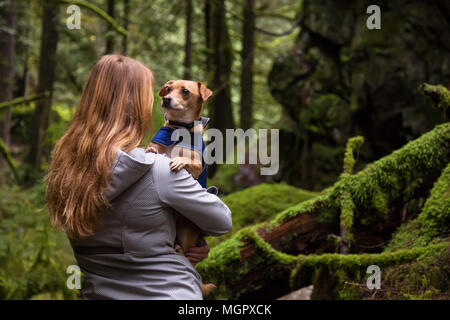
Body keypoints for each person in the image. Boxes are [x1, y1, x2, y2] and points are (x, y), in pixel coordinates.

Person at [45, 55, 232, 299]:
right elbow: (222, 221)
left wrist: (184, 239)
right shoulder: (163, 170)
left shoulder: (67, 171)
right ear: (137, 107)